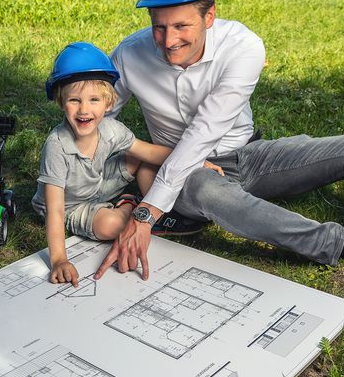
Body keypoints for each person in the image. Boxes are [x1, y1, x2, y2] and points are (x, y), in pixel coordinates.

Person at [93, 0, 344, 321]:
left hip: (249, 155)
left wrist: (144, 216)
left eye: (181, 27)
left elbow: (206, 129)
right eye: (159, 26)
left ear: (209, 17)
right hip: (186, 174)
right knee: (204, 187)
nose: (168, 39)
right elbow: (98, 121)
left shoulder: (244, 47)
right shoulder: (129, 55)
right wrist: (132, 175)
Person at [33, 42, 224, 287]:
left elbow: (150, 151)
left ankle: (151, 208)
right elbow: (56, 209)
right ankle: (130, 207)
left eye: (94, 100)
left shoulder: (111, 129)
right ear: (61, 102)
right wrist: (59, 259)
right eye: (74, 100)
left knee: (141, 158)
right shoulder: (56, 146)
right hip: (71, 204)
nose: (84, 109)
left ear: (109, 102)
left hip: (99, 183)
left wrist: (194, 160)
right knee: (111, 225)